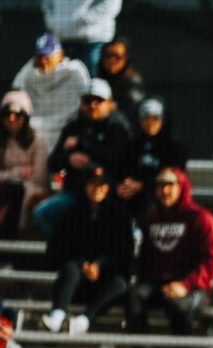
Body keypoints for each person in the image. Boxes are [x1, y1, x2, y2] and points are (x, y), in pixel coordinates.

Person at [126, 168, 213, 348]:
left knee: (176, 305)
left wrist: (185, 284)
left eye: (169, 185)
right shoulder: (151, 218)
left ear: (181, 187)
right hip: (158, 282)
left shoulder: (200, 218)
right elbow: (145, 259)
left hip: (192, 286)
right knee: (133, 296)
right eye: (159, 185)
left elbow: (211, 261)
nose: (164, 190)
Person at [41, 165, 132, 335]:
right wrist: (82, 264)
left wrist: (99, 266)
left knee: (120, 283)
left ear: (107, 188)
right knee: (69, 270)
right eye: (93, 184)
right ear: (85, 185)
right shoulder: (72, 214)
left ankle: (84, 320)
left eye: (101, 185)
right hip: (77, 281)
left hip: (105, 283)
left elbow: (123, 253)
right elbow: (57, 249)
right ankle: (57, 316)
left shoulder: (120, 216)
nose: (97, 189)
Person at [35, 77, 133, 234]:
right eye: (87, 101)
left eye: (98, 101)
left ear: (109, 103)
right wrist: (69, 160)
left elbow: (118, 158)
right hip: (75, 195)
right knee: (44, 213)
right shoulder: (73, 126)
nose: (92, 105)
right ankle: (65, 251)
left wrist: (84, 145)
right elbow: (53, 162)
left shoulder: (119, 127)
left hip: (108, 196)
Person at [12, 34, 90, 156]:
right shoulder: (27, 72)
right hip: (34, 128)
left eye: (48, 56)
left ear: (60, 55)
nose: (44, 60)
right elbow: (16, 92)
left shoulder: (74, 71)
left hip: (66, 128)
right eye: (40, 55)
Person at [118, 97, 187, 221]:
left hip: (161, 193)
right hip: (133, 193)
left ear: (163, 120)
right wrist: (126, 184)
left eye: (155, 119)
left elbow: (174, 176)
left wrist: (143, 185)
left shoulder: (174, 147)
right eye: (146, 119)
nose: (150, 123)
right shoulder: (132, 144)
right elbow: (124, 168)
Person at [0, 90, 50, 238]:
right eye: (7, 115)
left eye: (17, 115)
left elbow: (39, 177)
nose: (11, 119)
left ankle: (8, 237)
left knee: (17, 190)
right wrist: (17, 172)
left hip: (30, 189)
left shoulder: (39, 141)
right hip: (6, 187)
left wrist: (9, 176)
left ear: (26, 117)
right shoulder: (2, 140)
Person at [42, 0, 122, 77]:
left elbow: (111, 3)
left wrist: (85, 19)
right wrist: (52, 21)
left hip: (93, 41)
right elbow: (46, 4)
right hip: (61, 40)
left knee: (92, 85)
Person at [96, 37, 145, 123]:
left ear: (126, 59)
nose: (111, 60)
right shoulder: (100, 78)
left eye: (117, 57)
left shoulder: (132, 83)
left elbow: (129, 116)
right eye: (108, 55)